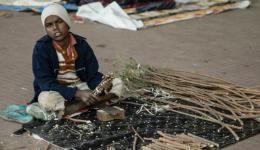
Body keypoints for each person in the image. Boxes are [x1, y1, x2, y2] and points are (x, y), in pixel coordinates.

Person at [27, 3, 124, 120]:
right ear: (46, 28)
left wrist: (103, 86)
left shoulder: (82, 45)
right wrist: (77, 94)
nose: (55, 28)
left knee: (117, 82)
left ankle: (79, 105)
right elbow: (45, 83)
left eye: (59, 22)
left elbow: (92, 75)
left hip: (81, 85)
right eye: (49, 25)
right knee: (47, 99)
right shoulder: (41, 48)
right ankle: (88, 102)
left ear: (67, 22)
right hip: (58, 90)